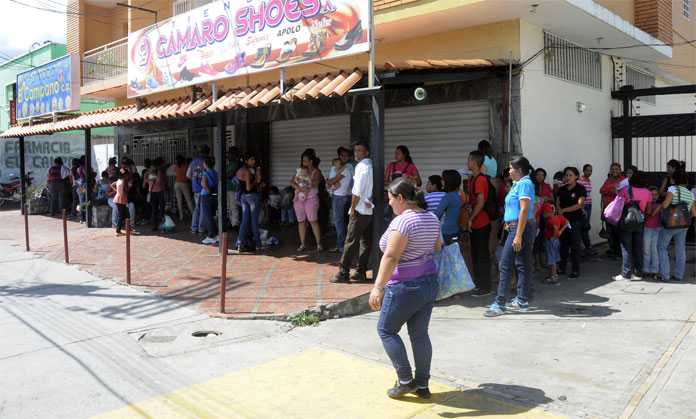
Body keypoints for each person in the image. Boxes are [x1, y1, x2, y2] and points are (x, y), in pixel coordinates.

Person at [369, 177, 441, 399]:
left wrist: (378, 287)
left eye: (390, 199)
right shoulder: (431, 217)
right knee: (420, 335)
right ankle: (422, 384)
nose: (389, 203)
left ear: (400, 198)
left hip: (405, 285)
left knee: (386, 330)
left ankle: (405, 380)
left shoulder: (403, 221)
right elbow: (437, 246)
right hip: (429, 282)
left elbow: (390, 256)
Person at [484, 156, 536, 317]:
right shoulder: (518, 184)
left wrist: (518, 235)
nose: (509, 171)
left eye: (511, 168)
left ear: (519, 170)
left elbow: (524, 210)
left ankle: (500, 304)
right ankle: (522, 299)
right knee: (522, 263)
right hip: (519, 228)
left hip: (520, 229)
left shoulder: (525, 184)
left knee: (505, 264)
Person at [333, 141, 373, 283]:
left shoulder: (362, 167)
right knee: (364, 242)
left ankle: (343, 272)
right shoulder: (370, 166)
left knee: (350, 240)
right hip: (368, 209)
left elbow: (357, 191)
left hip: (360, 209)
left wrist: (352, 208)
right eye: (355, 151)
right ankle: (361, 272)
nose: (356, 153)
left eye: (359, 150)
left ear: (366, 152)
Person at [611, 171, 651, 282]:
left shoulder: (627, 189)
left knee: (626, 248)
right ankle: (638, 273)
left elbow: (618, 202)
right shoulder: (648, 192)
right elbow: (648, 210)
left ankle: (626, 274)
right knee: (638, 247)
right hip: (640, 222)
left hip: (627, 222)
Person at [657, 170, 696, 281]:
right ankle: (679, 275)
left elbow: (665, 206)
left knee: (662, 247)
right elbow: (694, 213)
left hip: (671, 224)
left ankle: (665, 275)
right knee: (680, 249)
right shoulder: (690, 194)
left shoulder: (672, 189)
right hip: (684, 225)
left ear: (674, 179)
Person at [467, 151, 492, 298]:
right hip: (476, 222)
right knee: (475, 254)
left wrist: (471, 218)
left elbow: (481, 202)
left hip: (481, 222)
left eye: (468, 160)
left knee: (482, 255)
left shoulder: (480, 180)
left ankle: (485, 287)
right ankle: (479, 284)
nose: (467, 163)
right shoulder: (473, 179)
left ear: (474, 162)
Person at [556, 167, 586, 279]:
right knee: (563, 245)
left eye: (571, 175)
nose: (568, 177)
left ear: (576, 176)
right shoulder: (562, 189)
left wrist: (564, 210)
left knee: (575, 245)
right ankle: (562, 267)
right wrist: (560, 211)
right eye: (566, 175)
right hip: (562, 220)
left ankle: (575, 269)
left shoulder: (580, 189)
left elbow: (579, 204)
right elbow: (558, 202)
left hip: (575, 220)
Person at [292, 150, 324, 252]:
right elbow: (292, 181)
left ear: (311, 161)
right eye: (302, 161)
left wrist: (304, 181)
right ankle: (302, 244)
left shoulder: (316, 171)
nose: (303, 163)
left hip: (311, 198)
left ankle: (319, 244)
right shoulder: (299, 170)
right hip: (299, 198)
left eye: (305, 161)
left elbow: (315, 183)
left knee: (312, 220)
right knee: (301, 221)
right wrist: (300, 188)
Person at [236, 153, 265, 252]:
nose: (254, 161)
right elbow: (249, 187)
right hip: (251, 196)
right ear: (246, 161)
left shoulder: (239, 171)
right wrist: (256, 180)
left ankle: (240, 244)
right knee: (254, 222)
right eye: (251, 159)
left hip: (243, 197)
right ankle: (258, 244)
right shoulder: (247, 171)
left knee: (244, 221)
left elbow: (243, 185)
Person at [599, 163, 625, 260]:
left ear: (620, 170)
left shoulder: (623, 180)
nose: (614, 171)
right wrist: (612, 190)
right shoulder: (608, 179)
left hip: (617, 210)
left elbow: (620, 193)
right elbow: (601, 190)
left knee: (617, 232)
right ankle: (612, 249)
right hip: (607, 209)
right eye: (612, 169)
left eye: (616, 169)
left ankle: (618, 252)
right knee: (610, 232)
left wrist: (609, 190)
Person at [327, 157, 352, 253]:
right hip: (338, 196)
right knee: (340, 221)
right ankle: (341, 244)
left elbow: (332, 181)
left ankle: (341, 245)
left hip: (339, 197)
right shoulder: (341, 171)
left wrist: (328, 181)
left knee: (339, 222)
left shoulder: (345, 171)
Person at [540, 203, 568, 285]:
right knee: (554, 258)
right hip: (556, 240)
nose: (543, 215)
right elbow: (567, 222)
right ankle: (553, 274)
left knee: (551, 259)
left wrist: (552, 236)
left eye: (544, 213)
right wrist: (561, 231)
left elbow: (555, 227)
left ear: (547, 212)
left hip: (551, 241)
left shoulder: (550, 220)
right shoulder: (558, 217)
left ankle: (553, 276)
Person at [434, 170, 462, 245]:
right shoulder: (457, 195)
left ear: (448, 181)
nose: (441, 181)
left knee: (444, 256)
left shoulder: (448, 197)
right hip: (454, 231)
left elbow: (436, 214)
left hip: (446, 233)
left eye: (443, 179)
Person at [187, 145, 210, 234]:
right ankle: (201, 228)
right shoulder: (207, 162)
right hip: (204, 188)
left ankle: (193, 227)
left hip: (195, 188)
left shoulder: (193, 162)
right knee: (203, 208)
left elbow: (188, 175)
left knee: (197, 208)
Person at [576, 164, 598, 255]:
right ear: (583, 171)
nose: (589, 172)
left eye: (591, 170)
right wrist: (581, 207)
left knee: (586, 225)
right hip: (583, 205)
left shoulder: (588, 180)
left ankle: (587, 246)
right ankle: (588, 246)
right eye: (587, 170)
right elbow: (578, 193)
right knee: (584, 226)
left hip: (589, 204)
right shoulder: (580, 181)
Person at [642, 187, 662, 278]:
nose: (654, 197)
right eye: (652, 195)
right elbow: (651, 214)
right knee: (646, 250)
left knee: (655, 250)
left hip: (657, 229)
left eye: (656, 195)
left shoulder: (660, 206)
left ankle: (654, 269)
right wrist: (660, 207)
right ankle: (646, 269)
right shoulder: (647, 205)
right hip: (647, 229)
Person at [200, 157, 219, 245]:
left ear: (206, 165)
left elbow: (205, 186)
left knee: (208, 216)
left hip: (206, 196)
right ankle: (216, 234)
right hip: (214, 196)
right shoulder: (215, 173)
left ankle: (211, 236)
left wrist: (209, 193)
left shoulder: (205, 174)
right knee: (213, 215)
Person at [144, 159, 166, 232]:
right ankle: (154, 225)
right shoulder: (147, 173)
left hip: (160, 192)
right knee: (154, 210)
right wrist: (146, 180)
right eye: (153, 167)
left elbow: (162, 183)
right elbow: (143, 185)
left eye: (155, 167)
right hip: (152, 193)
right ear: (150, 166)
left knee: (162, 209)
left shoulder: (159, 172)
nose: (154, 169)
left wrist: (164, 193)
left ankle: (162, 225)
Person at [173, 154, 194, 221]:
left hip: (177, 184)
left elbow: (176, 173)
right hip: (184, 184)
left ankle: (181, 216)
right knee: (188, 200)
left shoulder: (176, 167)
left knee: (179, 201)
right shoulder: (186, 167)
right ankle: (193, 215)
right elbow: (189, 175)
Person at [110, 170, 129, 237]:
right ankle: (118, 230)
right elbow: (124, 191)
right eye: (127, 175)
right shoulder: (123, 182)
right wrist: (129, 188)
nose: (128, 177)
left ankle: (127, 228)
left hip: (117, 198)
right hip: (121, 198)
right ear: (124, 176)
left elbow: (112, 185)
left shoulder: (118, 181)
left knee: (124, 214)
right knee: (121, 215)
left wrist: (117, 191)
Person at [226, 147, 241, 228]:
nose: (227, 155)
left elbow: (229, 175)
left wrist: (225, 174)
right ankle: (231, 222)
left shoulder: (236, 165)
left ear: (234, 155)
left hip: (234, 189)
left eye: (229, 154)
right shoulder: (228, 165)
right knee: (228, 207)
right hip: (227, 188)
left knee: (234, 207)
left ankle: (235, 224)